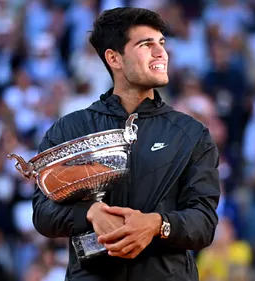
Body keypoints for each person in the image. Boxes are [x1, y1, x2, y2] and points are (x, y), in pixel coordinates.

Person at [32, 7, 220, 281]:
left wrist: (157, 224)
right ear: (114, 58)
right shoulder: (70, 129)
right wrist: (90, 213)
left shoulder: (191, 133)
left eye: (162, 43)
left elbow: (204, 222)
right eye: (146, 44)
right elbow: (42, 213)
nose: (161, 53)